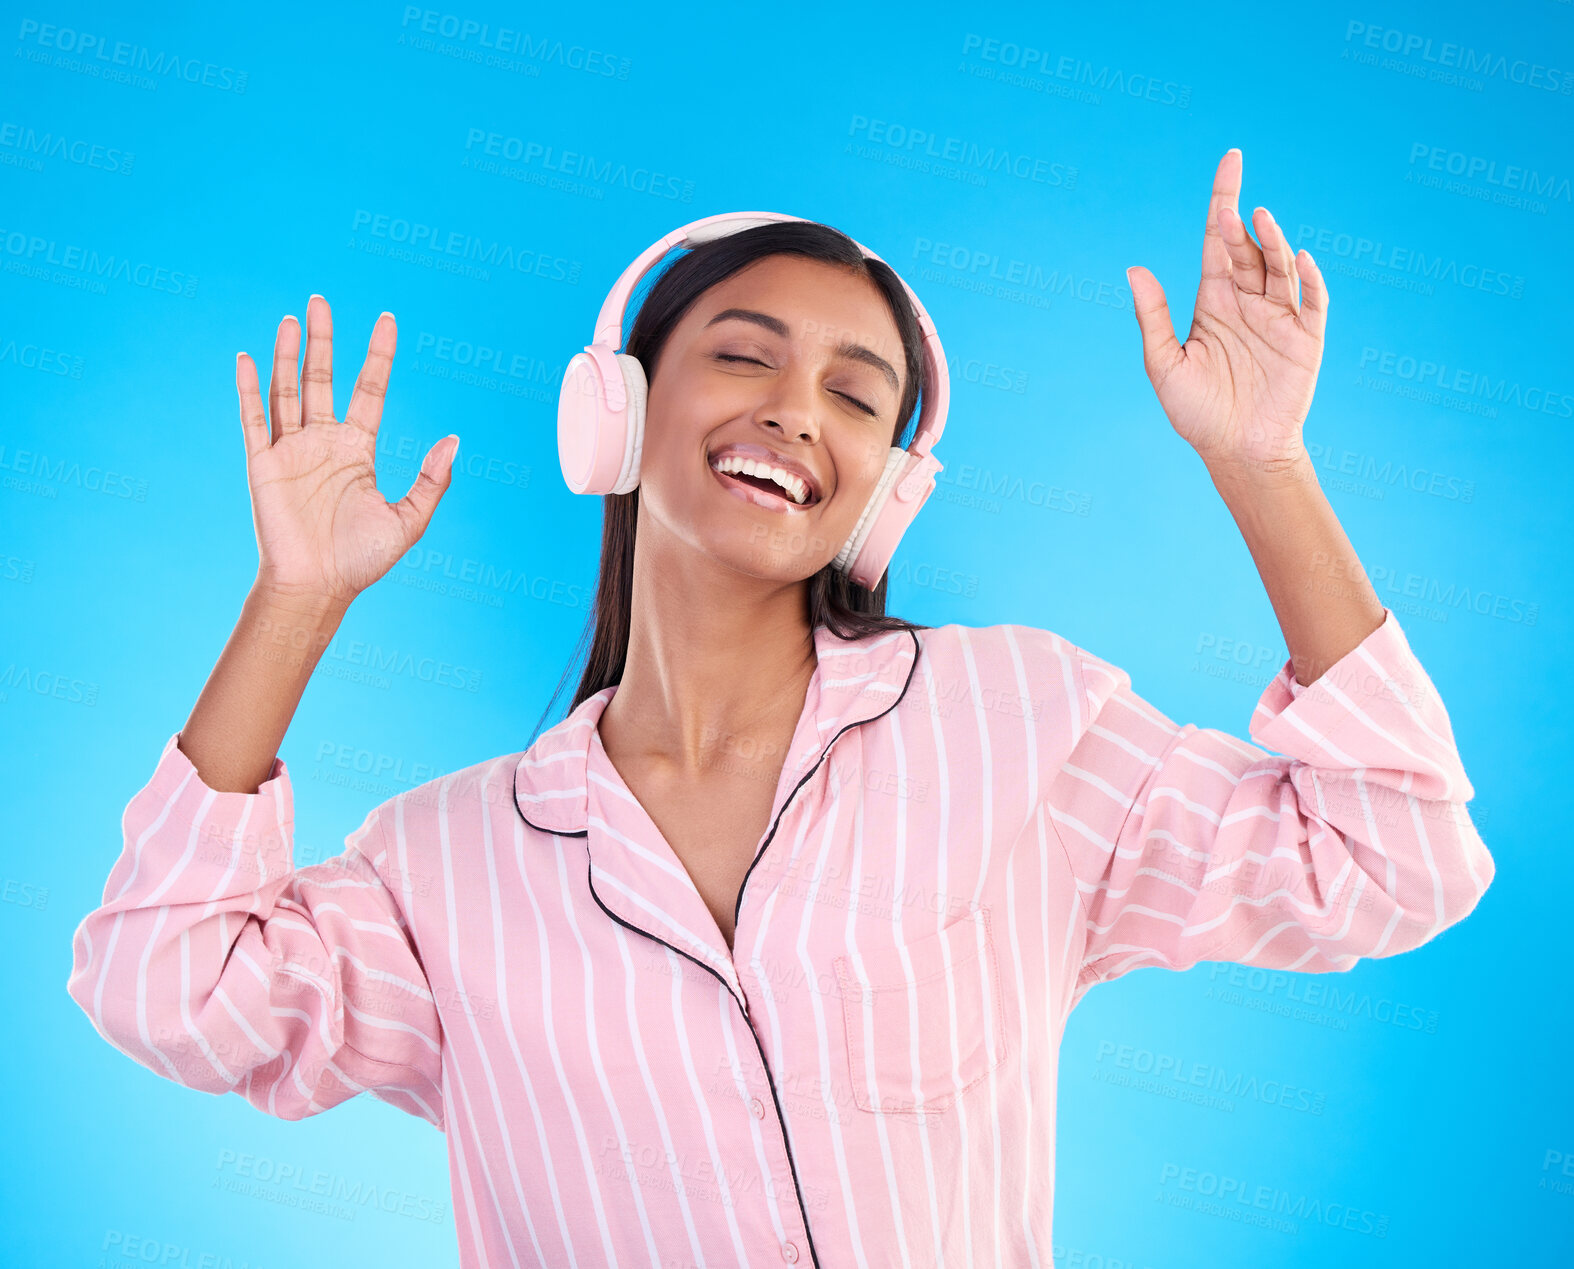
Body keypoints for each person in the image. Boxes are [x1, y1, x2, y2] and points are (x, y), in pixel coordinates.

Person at [67, 152, 1495, 1268]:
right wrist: (298, 599)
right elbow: (162, 986)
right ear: (616, 411)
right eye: (743, 355)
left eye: (856, 396)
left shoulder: (1016, 721)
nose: (798, 410)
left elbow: (1395, 855)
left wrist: (1261, 462)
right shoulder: (443, 864)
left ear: (888, 481)